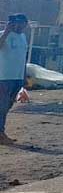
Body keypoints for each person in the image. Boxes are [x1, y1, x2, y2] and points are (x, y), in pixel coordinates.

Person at [0, 14, 29, 145]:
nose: (18, 25)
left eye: (21, 23)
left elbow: (22, 58)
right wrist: (6, 32)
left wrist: (23, 76)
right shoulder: (3, 34)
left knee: (8, 105)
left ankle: (1, 132)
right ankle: (1, 133)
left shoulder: (23, 37)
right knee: (2, 105)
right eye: (15, 23)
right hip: (3, 77)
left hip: (17, 77)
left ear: (25, 24)